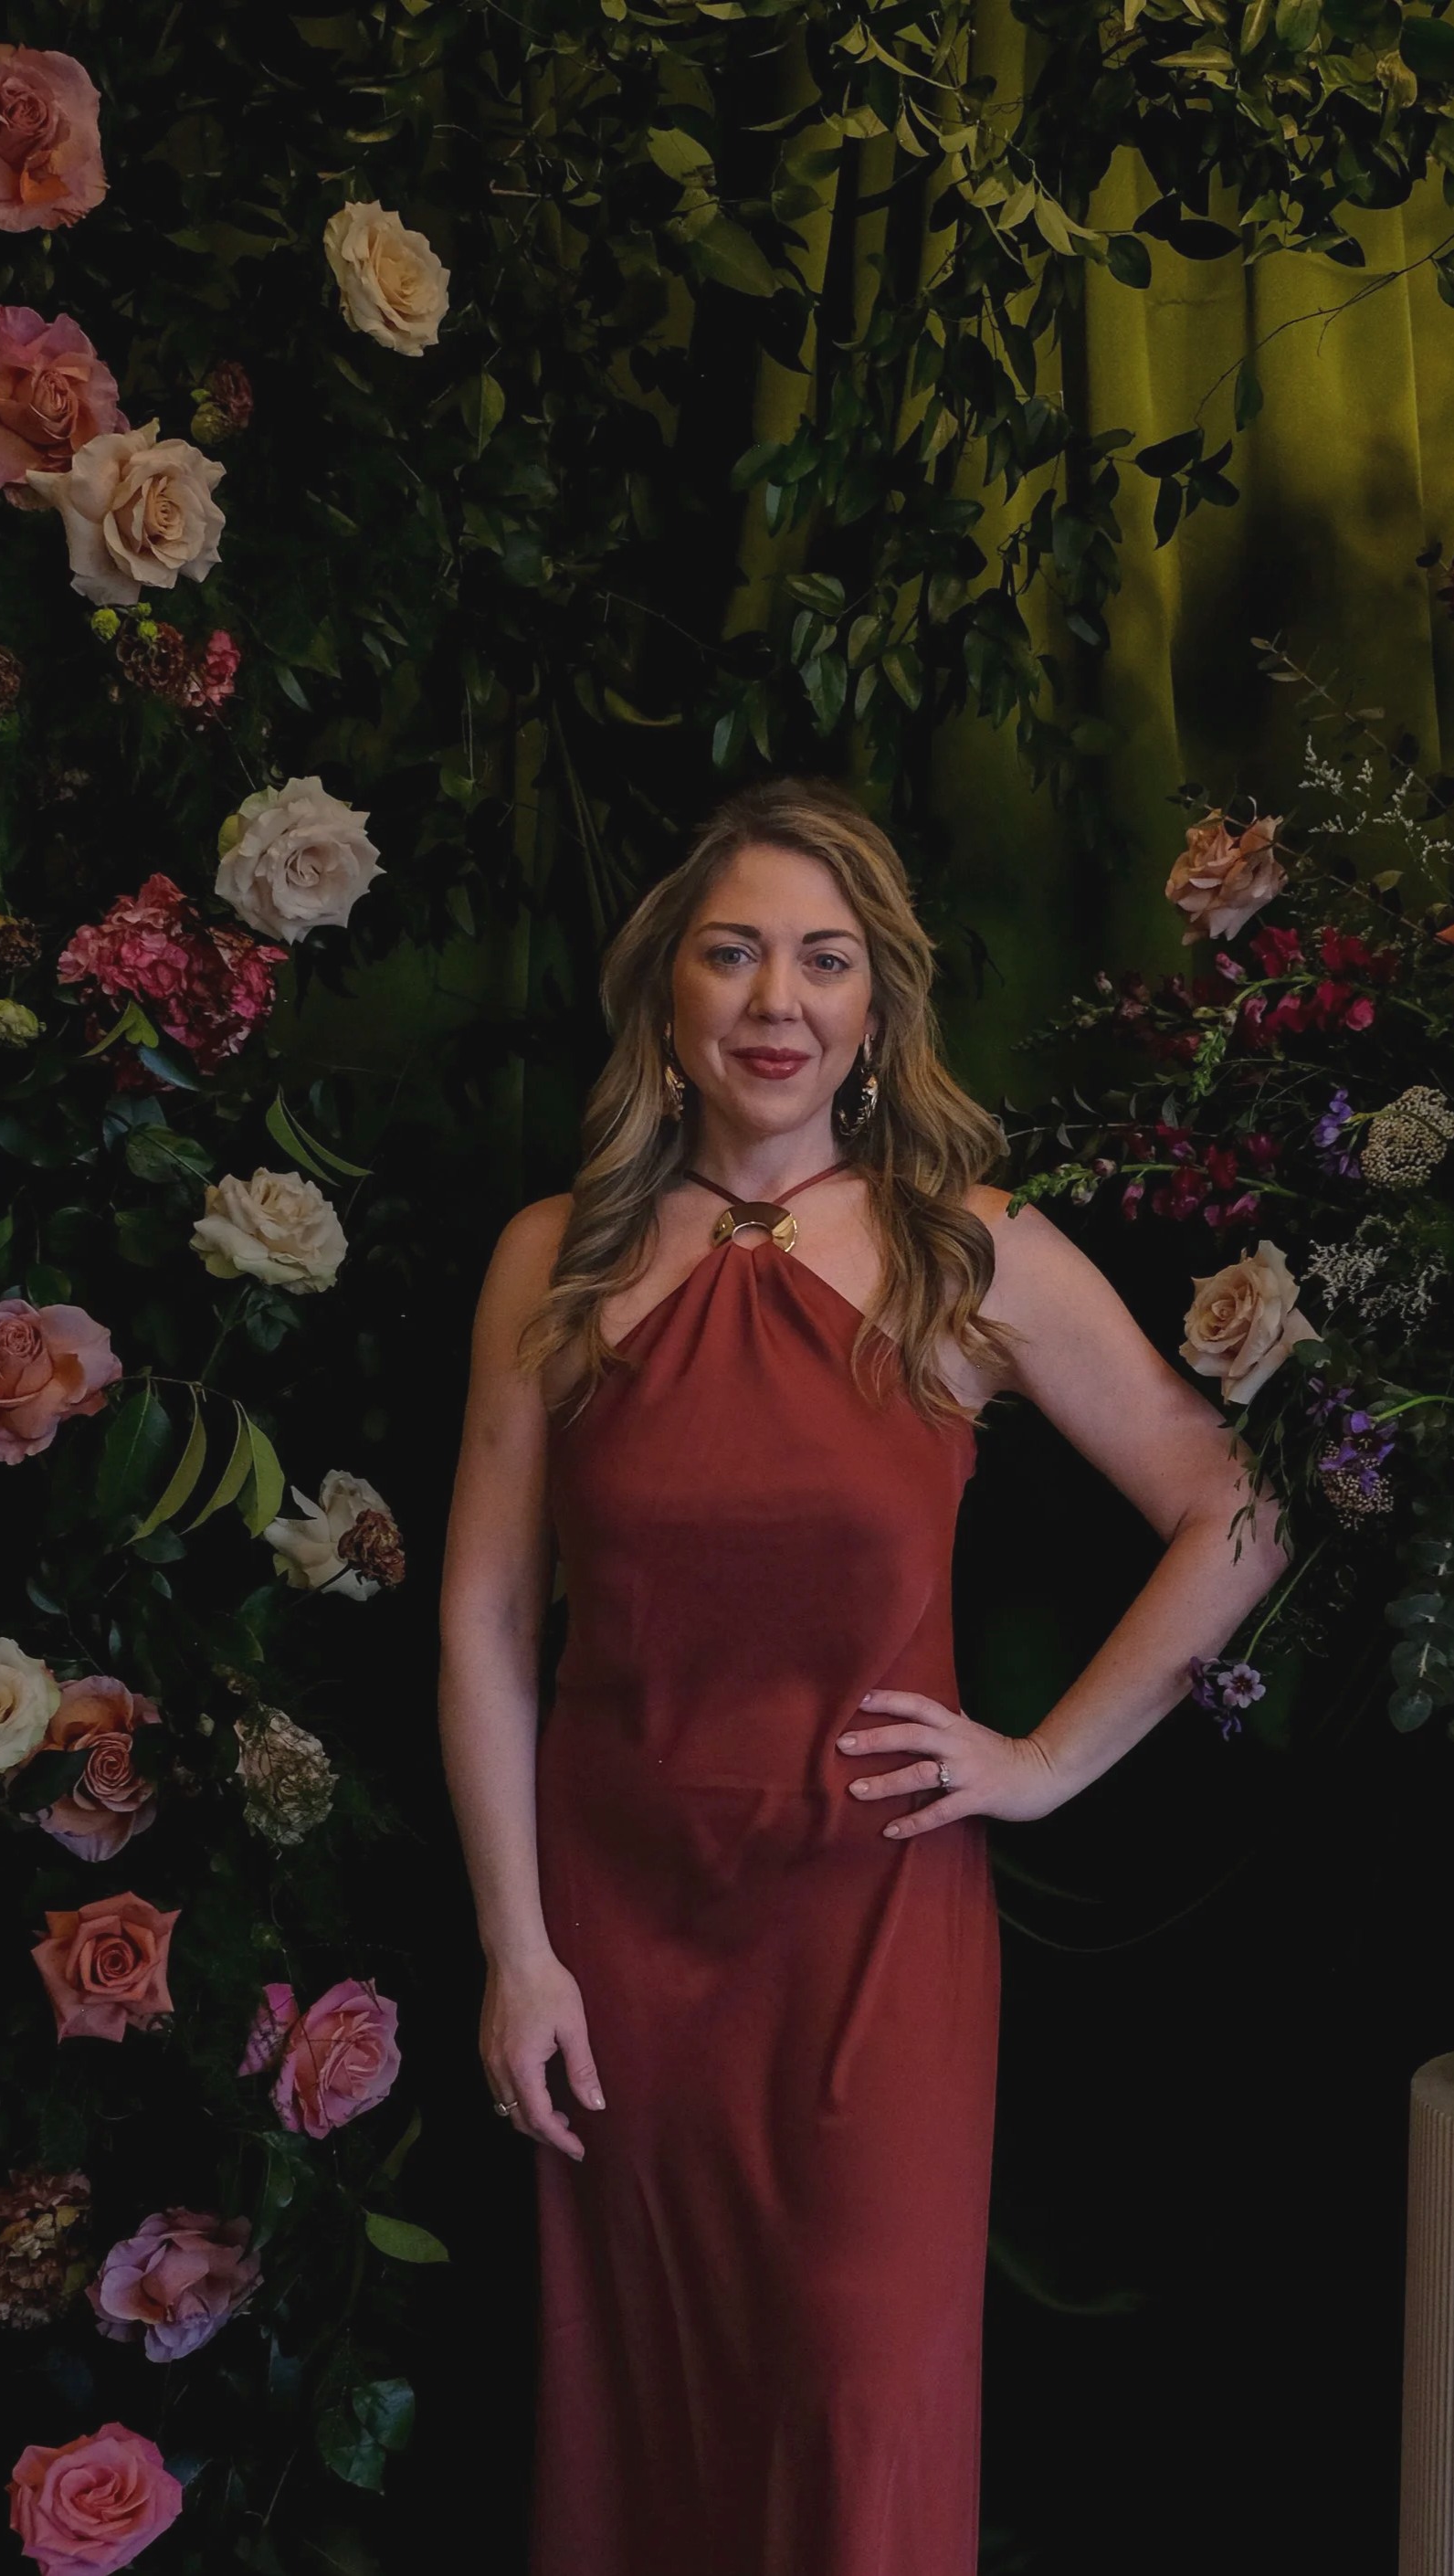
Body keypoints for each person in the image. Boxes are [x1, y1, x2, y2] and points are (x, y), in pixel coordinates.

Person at [438, 776, 1290, 2576]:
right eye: (733, 953)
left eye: (824, 960)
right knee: (641, 2408)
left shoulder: (964, 1248)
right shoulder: (551, 1259)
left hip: (875, 1927)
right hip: (613, 1939)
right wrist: (517, 1953)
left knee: (853, 2400)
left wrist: (1047, 1760)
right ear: (665, 991)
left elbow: (1234, 1509)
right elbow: (489, 1624)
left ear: (878, 1006)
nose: (777, 1000)